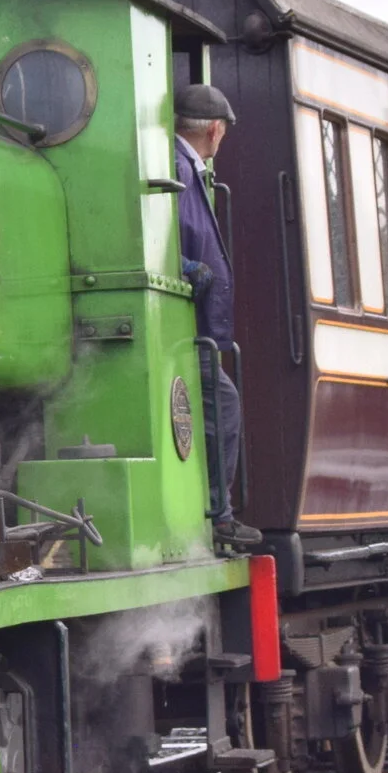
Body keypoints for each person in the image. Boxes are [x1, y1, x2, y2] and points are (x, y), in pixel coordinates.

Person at [175, 84, 261, 550]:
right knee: (221, 407)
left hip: (195, 322)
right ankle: (216, 512)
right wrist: (188, 269)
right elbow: (164, 229)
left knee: (218, 406)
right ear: (214, 129)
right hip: (184, 323)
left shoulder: (187, 166)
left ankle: (216, 509)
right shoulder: (177, 165)